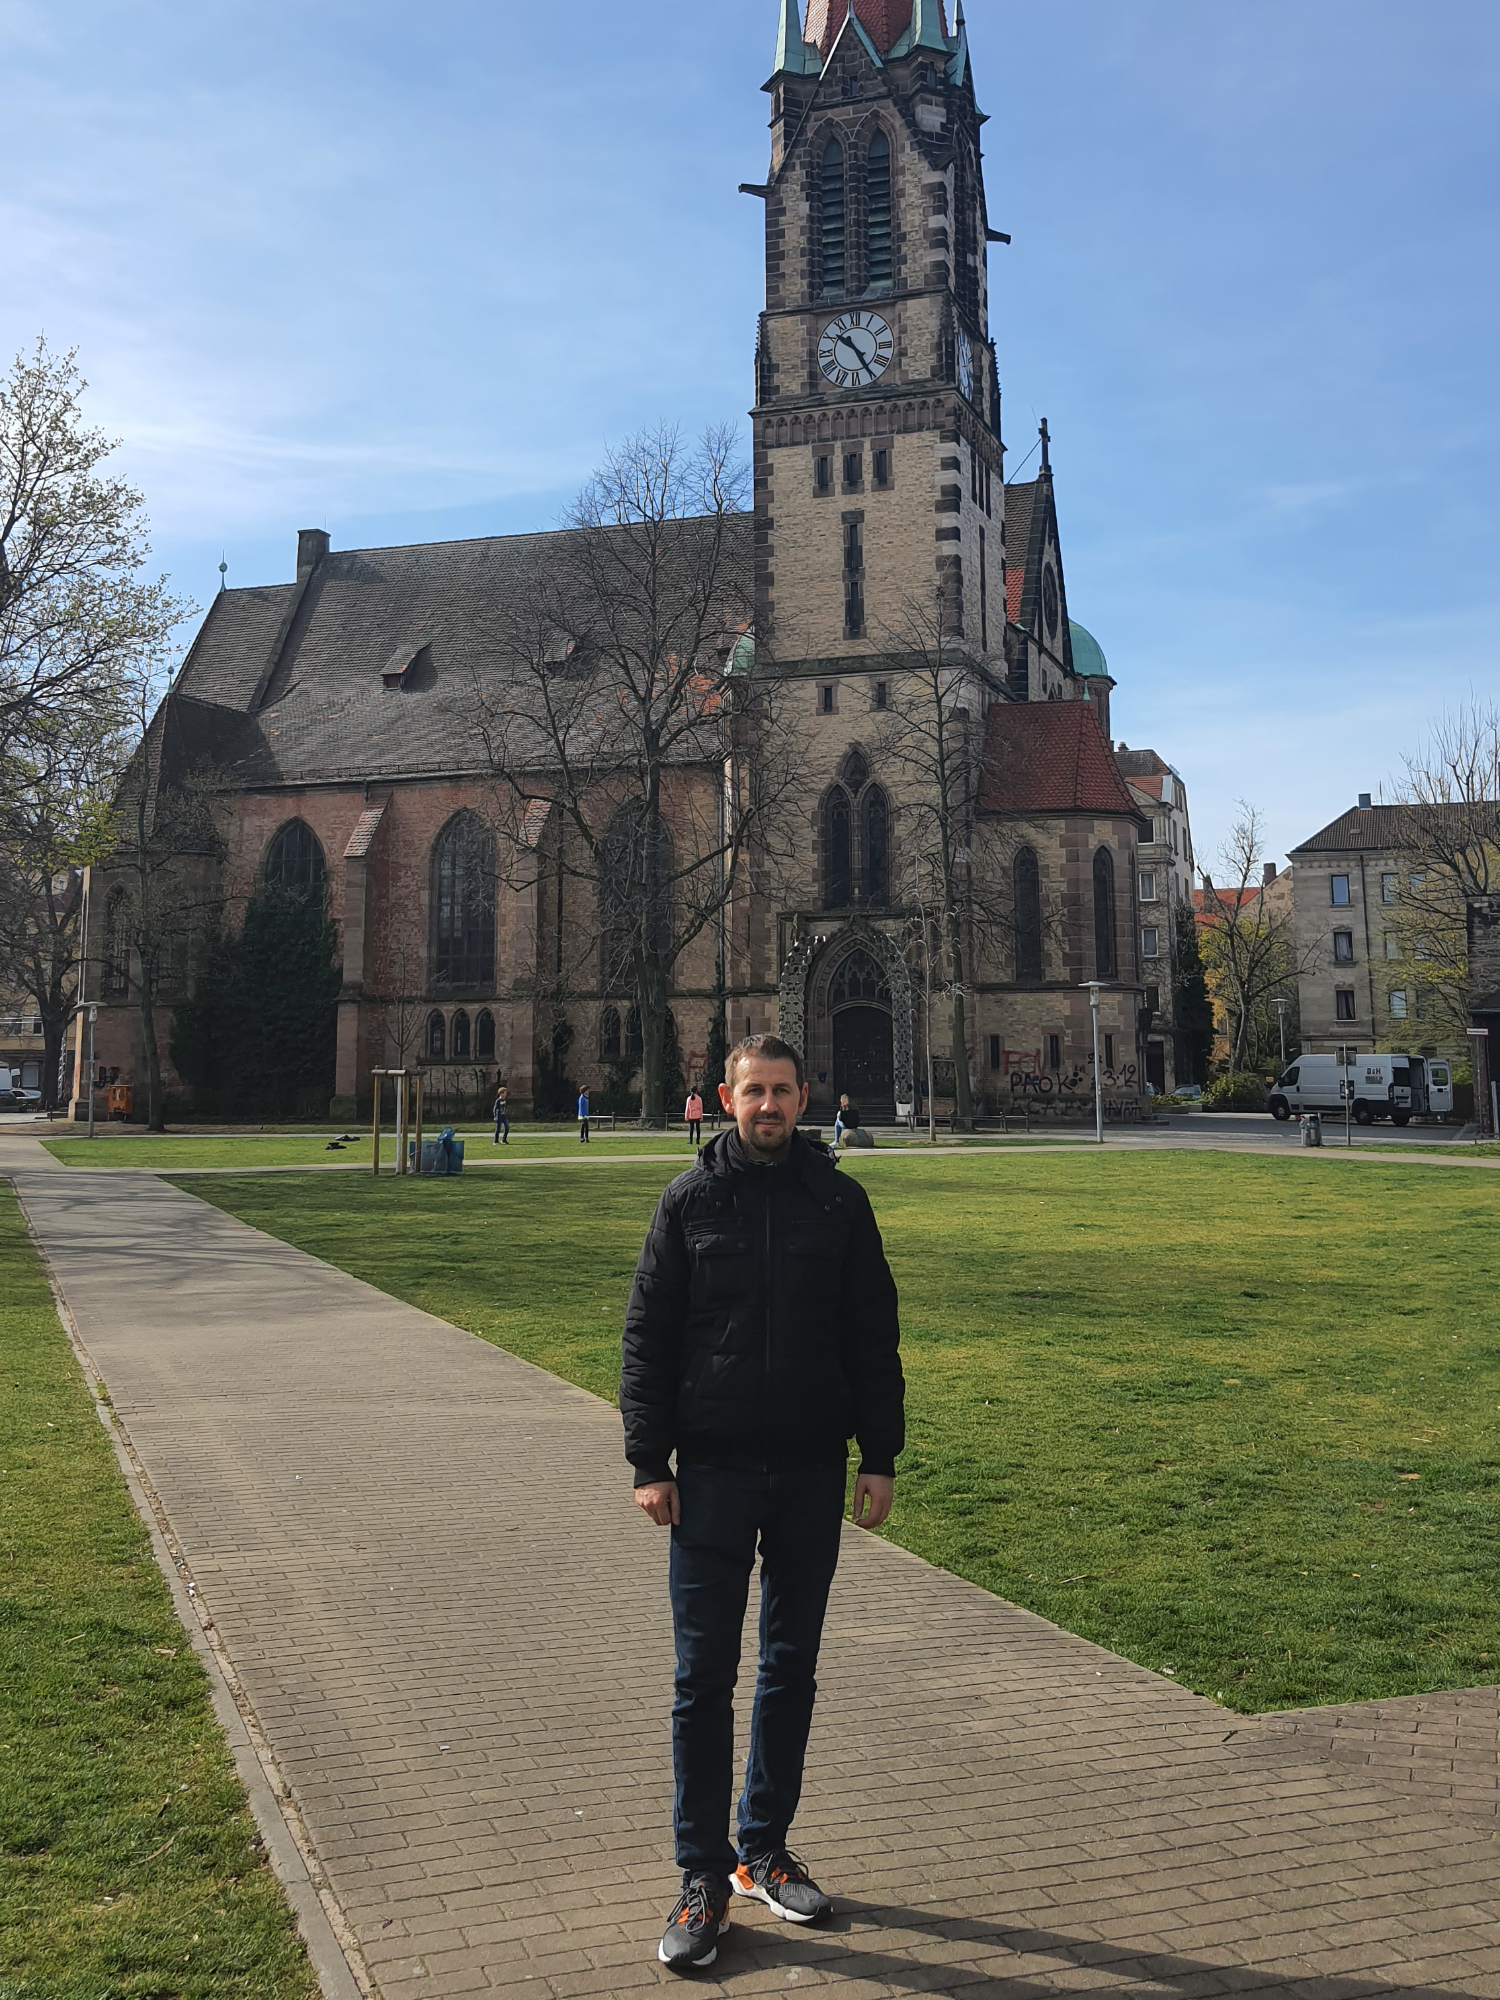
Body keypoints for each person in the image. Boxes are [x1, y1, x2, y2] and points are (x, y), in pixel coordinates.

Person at [622, 1034, 904, 1974]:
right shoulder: (689, 1201)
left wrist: (880, 1456)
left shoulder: (838, 1201)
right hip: (709, 1473)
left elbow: (872, 1334)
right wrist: (648, 1461)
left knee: (790, 1669)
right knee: (702, 1679)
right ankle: (702, 1875)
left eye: (783, 1090)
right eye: (755, 1091)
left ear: (804, 1096)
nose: (770, 1105)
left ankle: (764, 1850)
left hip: (812, 1470)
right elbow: (648, 1335)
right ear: (726, 1097)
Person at [492, 1082, 510, 1146]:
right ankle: (495, 1141)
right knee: (498, 1129)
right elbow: (495, 1108)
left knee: (507, 1127)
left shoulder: (504, 1100)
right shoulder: (498, 1100)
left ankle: (504, 1140)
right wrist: (495, 1116)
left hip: (504, 1116)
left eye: (506, 1093)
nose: (505, 1094)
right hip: (499, 1116)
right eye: (504, 1093)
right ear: (501, 1093)